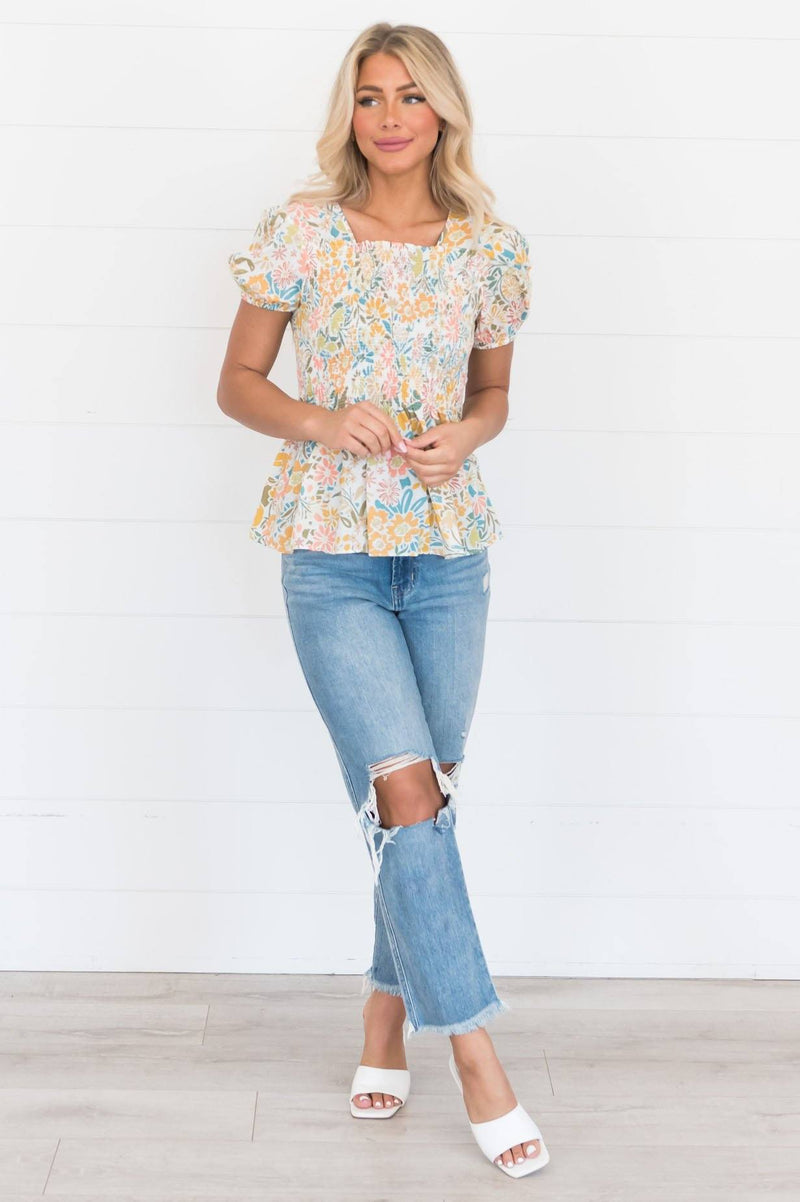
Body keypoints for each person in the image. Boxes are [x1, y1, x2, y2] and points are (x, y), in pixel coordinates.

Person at [217, 21, 549, 1181]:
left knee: (427, 805)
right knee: (404, 794)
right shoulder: (302, 231)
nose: (390, 116)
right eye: (369, 97)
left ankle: (381, 1007)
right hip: (329, 550)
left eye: (410, 95)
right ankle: (475, 1054)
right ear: (348, 113)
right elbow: (237, 381)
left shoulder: (488, 248)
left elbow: (492, 392)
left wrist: (466, 433)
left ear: (442, 110)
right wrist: (319, 418)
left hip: (448, 551)